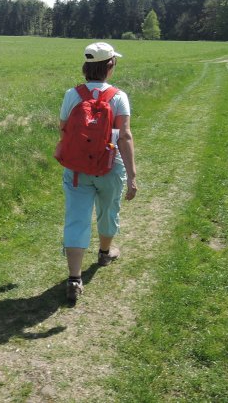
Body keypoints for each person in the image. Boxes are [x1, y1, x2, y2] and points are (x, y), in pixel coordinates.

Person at [58, 42, 137, 301]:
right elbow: (124, 136)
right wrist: (133, 175)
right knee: (108, 210)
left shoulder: (73, 94)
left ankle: (74, 278)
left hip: (77, 168)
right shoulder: (118, 96)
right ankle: (104, 254)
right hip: (110, 165)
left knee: (76, 218)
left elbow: (64, 128)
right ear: (110, 65)